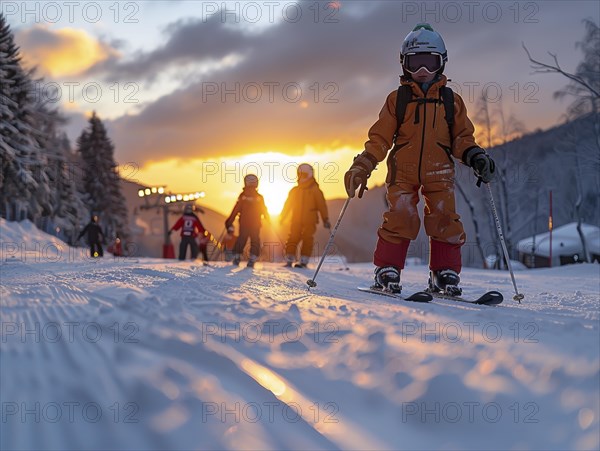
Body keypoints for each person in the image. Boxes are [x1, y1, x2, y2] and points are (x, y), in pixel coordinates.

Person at [344, 23, 495, 295]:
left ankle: (443, 272)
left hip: (440, 172)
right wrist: (364, 164)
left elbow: (462, 137)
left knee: (445, 218)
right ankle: (387, 269)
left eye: (429, 62)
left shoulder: (451, 101)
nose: (423, 71)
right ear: (404, 65)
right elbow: (380, 138)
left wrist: (475, 156)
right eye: (416, 63)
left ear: (442, 63)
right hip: (403, 171)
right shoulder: (397, 100)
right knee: (400, 215)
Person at [280, 163, 331, 268]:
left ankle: (304, 260)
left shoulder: (315, 190)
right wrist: (282, 216)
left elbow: (322, 205)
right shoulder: (295, 190)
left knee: (307, 238)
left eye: (303, 174)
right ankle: (289, 257)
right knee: (293, 237)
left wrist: (325, 218)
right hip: (296, 220)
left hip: (310, 220)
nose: (301, 177)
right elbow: (287, 205)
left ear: (309, 174)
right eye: (299, 174)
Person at [225, 174, 269, 268]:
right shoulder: (259, 197)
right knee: (255, 240)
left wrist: (229, 221)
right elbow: (264, 210)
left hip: (244, 223)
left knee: (242, 238)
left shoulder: (242, 196)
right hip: (255, 224)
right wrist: (268, 219)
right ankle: (252, 258)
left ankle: (237, 256)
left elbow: (236, 209)